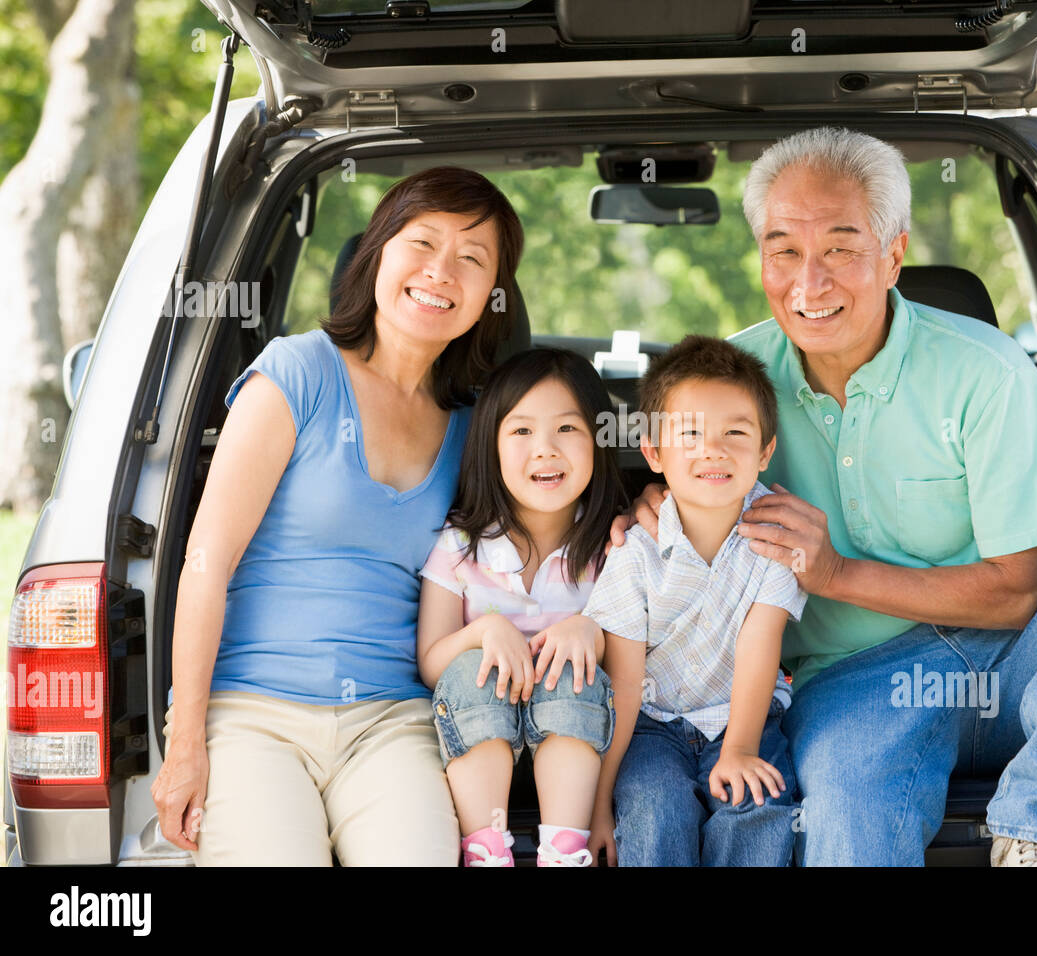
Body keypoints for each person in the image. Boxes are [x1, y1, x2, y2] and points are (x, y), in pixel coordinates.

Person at [613, 126, 1037, 866]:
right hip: (854, 686)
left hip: (1026, 668)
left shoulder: (986, 372)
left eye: (840, 247)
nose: (809, 281)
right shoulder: (737, 385)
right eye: (784, 249)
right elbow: (686, 479)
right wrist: (653, 509)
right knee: (846, 802)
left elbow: (1023, 593)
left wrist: (836, 575)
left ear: (894, 254)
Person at [151, 166, 525, 865]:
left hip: (390, 724)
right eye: (422, 243)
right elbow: (205, 564)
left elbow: (543, 530)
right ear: (377, 252)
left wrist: (639, 515)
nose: (442, 271)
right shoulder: (295, 373)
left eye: (473, 258)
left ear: (492, 297)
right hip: (251, 716)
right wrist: (186, 744)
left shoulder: (474, 428)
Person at [586, 335, 807, 867]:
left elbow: (760, 647)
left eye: (736, 432)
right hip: (650, 727)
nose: (715, 449)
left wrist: (739, 750)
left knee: (756, 800)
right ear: (654, 452)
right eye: (690, 433)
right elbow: (624, 686)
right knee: (654, 807)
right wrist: (596, 805)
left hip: (744, 719)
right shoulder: (635, 553)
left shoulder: (776, 539)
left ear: (765, 452)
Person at [417, 347, 627, 867]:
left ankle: (563, 850)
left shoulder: (615, 548)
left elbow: (629, 661)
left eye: (567, 430)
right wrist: (482, 633)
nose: (545, 451)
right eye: (522, 432)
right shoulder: (461, 544)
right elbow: (430, 661)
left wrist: (590, 632)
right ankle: (486, 850)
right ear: (490, 445)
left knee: (570, 671)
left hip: (571, 725)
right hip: (482, 723)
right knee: (471, 671)